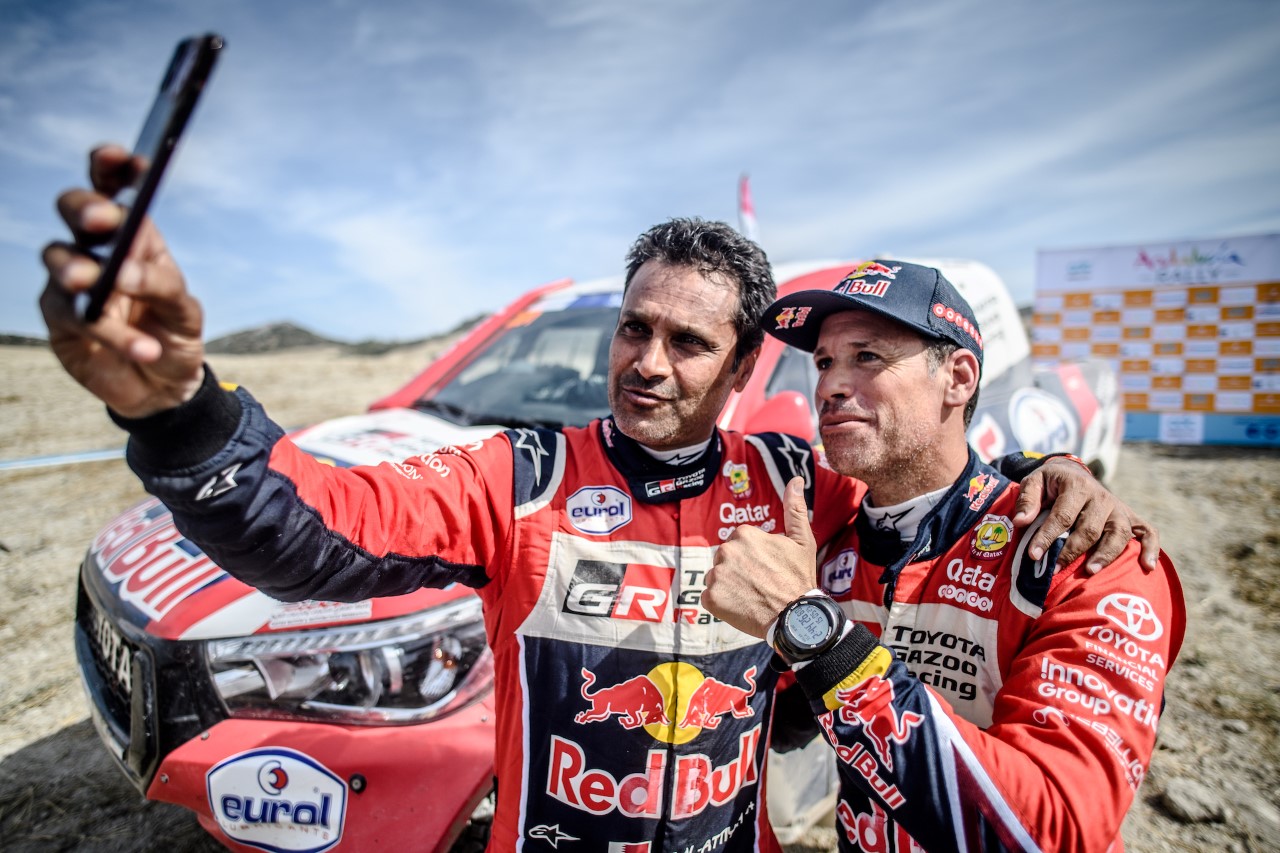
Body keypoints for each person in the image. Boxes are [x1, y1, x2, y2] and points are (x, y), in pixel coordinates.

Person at [41, 146, 1155, 852]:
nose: (648, 363)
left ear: (739, 369)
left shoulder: (793, 487)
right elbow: (312, 529)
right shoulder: (521, 475)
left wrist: (1043, 477)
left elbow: (925, 504)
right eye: (634, 328)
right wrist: (177, 409)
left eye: (688, 342)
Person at [702, 260, 1186, 852]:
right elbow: (787, 726)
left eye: (867, 356)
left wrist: (815, 636)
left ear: (958, 378)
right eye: (824, 363)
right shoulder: (830, 541)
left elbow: (1054, 832)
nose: (828, 386)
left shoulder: (1086, 552)